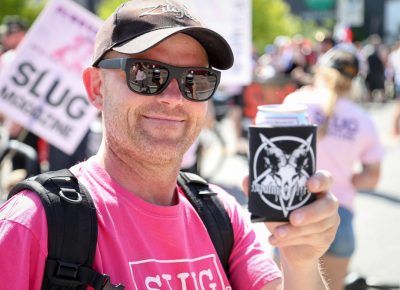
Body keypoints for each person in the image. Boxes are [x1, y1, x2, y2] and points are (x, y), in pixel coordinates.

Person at [0, 1, 339, 289]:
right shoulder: (33, 225)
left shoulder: (222, 215)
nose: (175, 98)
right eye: (147, 73)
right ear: (96, 87)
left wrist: (301, 260)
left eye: (197, 80)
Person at [284, 48, 384, 290]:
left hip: (295, 212)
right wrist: (347, 177)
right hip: (340, 216)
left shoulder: (296, 102)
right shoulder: (362, 119)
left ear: (320, 71)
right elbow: (371, 178)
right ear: (352, 82)